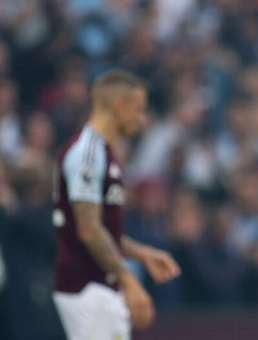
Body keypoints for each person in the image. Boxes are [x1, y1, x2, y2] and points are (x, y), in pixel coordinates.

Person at [52, 69, 181, 339]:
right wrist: (128, 279)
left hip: (99, 286)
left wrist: (142, 253)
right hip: (87, 286)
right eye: (138, 109)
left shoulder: (102, 152)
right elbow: (88, 231)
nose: (142, 119)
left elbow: (98, 229)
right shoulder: (87, 154)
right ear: (119, 106)